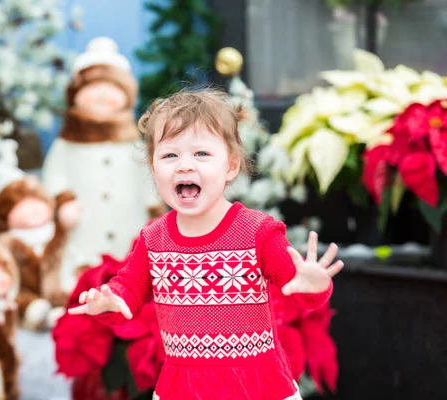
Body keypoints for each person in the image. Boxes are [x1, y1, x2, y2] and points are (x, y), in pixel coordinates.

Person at [68, 89, 344, 400]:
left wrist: (312, 286)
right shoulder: (154, 239)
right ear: (153, 167)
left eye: (201, 154)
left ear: (231, 166)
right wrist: (112, 303)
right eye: (170, 155)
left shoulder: (257, 231)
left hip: (256, 385)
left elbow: (297, 290)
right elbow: (128, 291)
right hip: (184, 388)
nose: (184, 166)